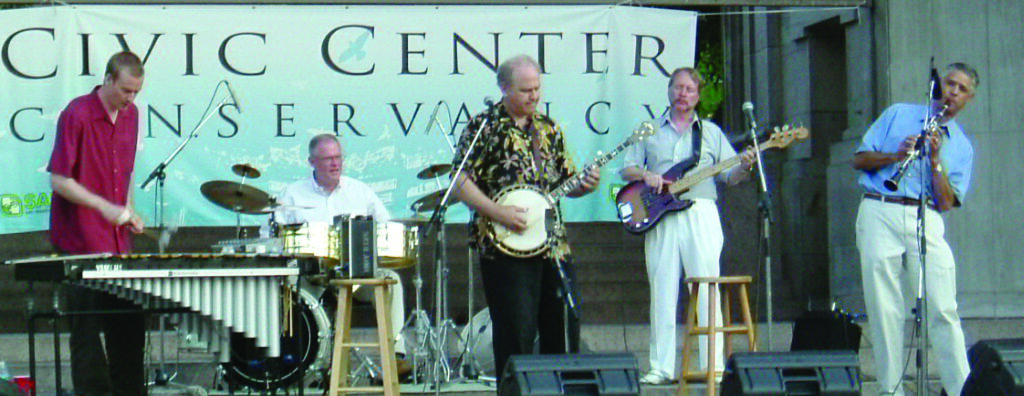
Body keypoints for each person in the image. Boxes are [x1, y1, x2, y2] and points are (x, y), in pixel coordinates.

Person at [449, 54, 601, 380]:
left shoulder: (549, 129)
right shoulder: (483, 126)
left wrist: (585, 186)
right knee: (516, 330)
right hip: (504, 244)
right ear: (504, 88)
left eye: (537, 88)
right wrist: (497, 212)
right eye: (525, 90)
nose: (533, 96)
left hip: (551, 242)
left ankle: (559, 387)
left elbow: (565, 182)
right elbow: (459, 181)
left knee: (563, 322)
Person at [620, 67, 756, 385]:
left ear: (698, 95)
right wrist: (647, 176)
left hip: (701, 211)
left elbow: (731, 176)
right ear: (669, 91)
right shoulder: (648, 129)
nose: (683, 94)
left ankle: (714, 366)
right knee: (662, 288)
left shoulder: (710, 133)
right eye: (678, 87)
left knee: (709, 285)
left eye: (690, 89)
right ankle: (661, 366)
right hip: (661, 215)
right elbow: (627, 168)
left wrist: (746, 166)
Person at [852, 62, 978, 396]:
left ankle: (961, 390)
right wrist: (896, 155)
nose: (953, 92)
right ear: (939, 86)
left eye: (961, 89)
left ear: (969, 99)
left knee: (942, 306)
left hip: (926, 215)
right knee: (884, 309)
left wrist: (935, 160)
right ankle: (891, 391)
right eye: (950, 84)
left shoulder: (961, 145)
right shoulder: (898, 113)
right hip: (879, 208)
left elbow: (948, 202)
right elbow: (859, 158)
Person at [47, 51, 147, 395]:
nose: (130, 99)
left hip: (117, 241)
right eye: (125, 91)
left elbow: (126, 172)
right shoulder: (77, 113)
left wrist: (129, 210)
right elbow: (60, 179)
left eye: (136, 92)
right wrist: (104, 207)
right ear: (107, 79)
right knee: (87, 333)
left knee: (130, 329)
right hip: (78, 239)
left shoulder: (132, 115)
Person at [272, 133, 410, 368]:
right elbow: (271, 237)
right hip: (310, 278)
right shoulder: (292, 193)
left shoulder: (361, 191)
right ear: (311, 162)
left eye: (338, 157)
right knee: (290, 295)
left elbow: (386, 228)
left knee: (391, 282)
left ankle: (396, 356)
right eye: (327, 159)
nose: (335, 163)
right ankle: (303, 363)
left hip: (356, 277)